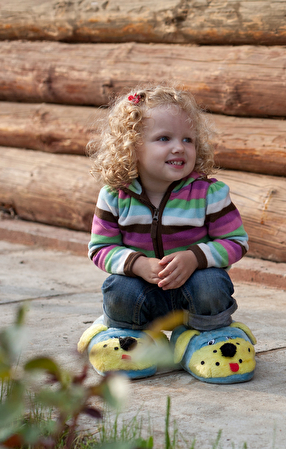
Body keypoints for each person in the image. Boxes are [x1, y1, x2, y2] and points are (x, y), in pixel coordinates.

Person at [77, 84, 255, 383]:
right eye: (164, 138)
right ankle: (130, 334)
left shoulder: (209, 193)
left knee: (212, 282)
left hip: (194, 297)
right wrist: (136, 264)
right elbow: (100, 248)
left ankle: (204, 336)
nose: (179, 147)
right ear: (131, 146)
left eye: (188, 139)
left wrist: (194, 258)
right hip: (142, 295)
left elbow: (236, 242)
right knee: (118, 287)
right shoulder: (115, 196)